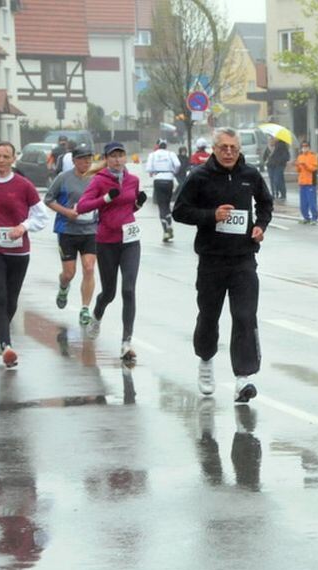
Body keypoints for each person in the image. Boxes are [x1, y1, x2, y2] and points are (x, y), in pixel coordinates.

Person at [172, 127, 273, 402]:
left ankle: (243, 379)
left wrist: (260, 226)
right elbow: (179, 210)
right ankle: (205, 361)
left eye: (234, 148)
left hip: (243, 259)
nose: (229, 152)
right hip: (211, 260)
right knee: (209, 316)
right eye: (224, 147)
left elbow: (266, 203)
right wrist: (210, 216)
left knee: (244, 316)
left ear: (239, 150)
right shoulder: (200, 176)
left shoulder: (250, 175)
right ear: (214, 149)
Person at [0, 141, 50, 368]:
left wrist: (24, 227)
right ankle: (7, 346)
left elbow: (41, 217)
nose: (0, 160)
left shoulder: (24, 186)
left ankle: (1, 334)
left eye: (5, 156)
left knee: (11, 299)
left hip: (18, 251)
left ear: (13, 159)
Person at [77, 142, 147, 363]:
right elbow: (82, 207)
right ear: (106, 159)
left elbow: (128, 207)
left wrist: (138, 204)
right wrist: (106, 198)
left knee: (129, 289)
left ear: (126, 158)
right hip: (107, 241)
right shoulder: (99, 181)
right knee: (109, 293)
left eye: (121, 155)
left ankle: (126, 343)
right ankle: (96, 316)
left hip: (130, 240)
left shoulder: (133, 180)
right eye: (113, 156)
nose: (117, 160)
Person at [45, 145, 98, 326]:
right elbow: (48, 199)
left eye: (89, 158)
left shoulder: (97, 178)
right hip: (67, 231)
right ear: (74, 161)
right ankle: (63, 287)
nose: (86, 162)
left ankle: (85, 308)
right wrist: (66, 212)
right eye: (82, 158)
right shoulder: (63, 178)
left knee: (89, 268)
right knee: (69, 273)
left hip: (91, 230)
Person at [145, 139, 181, 242]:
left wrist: (153, 171)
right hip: (169, 179)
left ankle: (166, 230)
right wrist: (173, 172)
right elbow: (178, 164)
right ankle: (169, 224)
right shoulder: (171, 154)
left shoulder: (153, 155)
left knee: (161, 206)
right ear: (166, 146)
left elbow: (148, 169)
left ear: (158, 145)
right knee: (167, 203)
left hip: (158, 179)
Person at [295, 140, 318, 224]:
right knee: (303, 203)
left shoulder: (313, 156)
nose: (304, 148)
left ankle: (314, 218)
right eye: (303, 146)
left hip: (310, 182)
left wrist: (305, 165)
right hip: (302, 182)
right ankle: (306, 217)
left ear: (308, 147)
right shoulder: (300, 156)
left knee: (312, 202)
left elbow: (314, 168)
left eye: (306, 146)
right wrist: (298, 166)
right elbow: (298, 170)